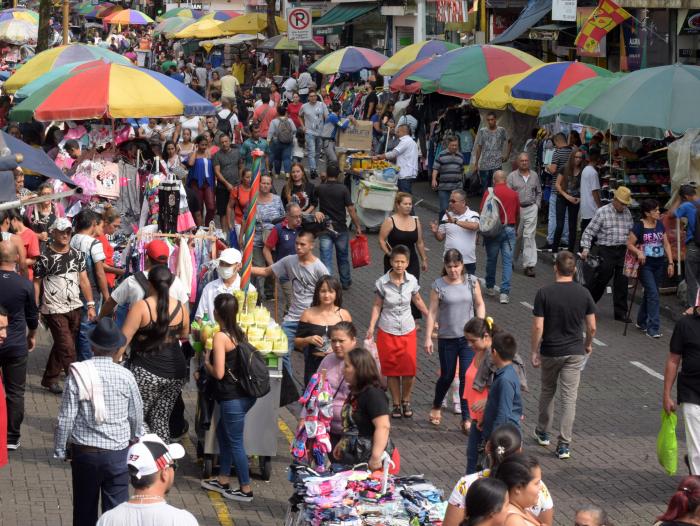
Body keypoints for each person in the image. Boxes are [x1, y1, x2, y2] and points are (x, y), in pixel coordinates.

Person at [54, 318, 144, 526]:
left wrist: (61, 449)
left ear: (92, 346)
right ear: (117, 348)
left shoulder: (78, 373)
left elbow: (66, 417)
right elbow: (136, 415)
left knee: (84, 513)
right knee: (116, 516)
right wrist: (133, 437)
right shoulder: (126, 375)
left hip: (85, 454)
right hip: (117, 455)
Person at [532, 250, 596, 460]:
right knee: (569, 398)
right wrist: (587, 344)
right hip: (574, 351)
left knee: (548, 390)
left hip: (551, 350)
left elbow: (538, 326)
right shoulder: (584, 293)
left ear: (555, 268)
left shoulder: (544, 293)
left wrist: (535, 350)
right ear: (574, 270)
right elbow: (592, 327)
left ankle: (543, 431)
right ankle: (564, 444)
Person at [119, 266, 189, 443]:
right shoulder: (181, 307)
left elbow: (123, 340)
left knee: (139, 418)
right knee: (160, 418)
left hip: (146, 371)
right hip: (175, 372)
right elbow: (184, 334)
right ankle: (162, 461)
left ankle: (142, 460)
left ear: (149, 283)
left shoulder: (142, 307)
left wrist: (112, 364)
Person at [201, 293, 256, 502]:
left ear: (216, 313)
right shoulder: (239, 332)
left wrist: (207, 363)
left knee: (235, 442)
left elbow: (220, 373)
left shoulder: (220, 337)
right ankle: (223, 478)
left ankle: (245, 488)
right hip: (244, 396)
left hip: (233, 398)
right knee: (224, 434)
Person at [444, 423, 555, 526]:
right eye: (536, 483)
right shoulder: (516, 517)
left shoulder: (467, 483)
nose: (539, 486)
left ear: (488, 447)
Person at [252, 230, 329, 375]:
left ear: (311, 245)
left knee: (314, 358)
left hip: (313, 321)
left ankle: (309, 389)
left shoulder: (320, 268)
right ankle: (290, 387)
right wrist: (243, 269)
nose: (298, 247)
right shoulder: (289, 261)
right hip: (292, 318)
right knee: (282, 352)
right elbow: (265, 271)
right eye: (296, 244)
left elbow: (330, 293)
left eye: (302, 244)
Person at [425, 249, 485, 433]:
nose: (453, 270)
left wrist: (480, 325)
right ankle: (436, 405)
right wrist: (428, 337)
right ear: (445, 266)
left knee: (467, 377)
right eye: (449, 266)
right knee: (447, 375)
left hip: (468, 340)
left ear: (462, 265)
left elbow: (479, 304)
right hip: (447, 338)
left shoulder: (471, 282)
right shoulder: (438, 285)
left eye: (456, 266)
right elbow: (432, 312)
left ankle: (466, 418)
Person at [366, 245, 429, 419]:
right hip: (387, 329)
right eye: (396, 261)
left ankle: (406, 400)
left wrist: (430, 316)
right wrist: (372, 326)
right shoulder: (382, 282)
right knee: (392, 370)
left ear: (408, 263)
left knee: (409, 369)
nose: (399, 265)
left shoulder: (412, 281)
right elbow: (377, 305)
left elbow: (417, 300)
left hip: (408, 329)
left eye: (402, 261)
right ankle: (395, 403)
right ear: (391, 261)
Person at [36, 218, 94, 394]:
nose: (65, 235)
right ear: (52, 232)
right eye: (61, 231)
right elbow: (37, 283)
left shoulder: (77, 255)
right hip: (53, 309)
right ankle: (78, 385)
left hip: (75, 306)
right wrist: (35, 306)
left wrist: (90, 304)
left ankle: (49, 379)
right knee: (68, 348)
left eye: (68, 231)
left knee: (63, 344)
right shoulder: (45, 258)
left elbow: (84, 280)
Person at [96, 434, 197, 526]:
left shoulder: (107, 520)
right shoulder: (183, 521)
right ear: (164, 473)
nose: (174, 470)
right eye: (174, 465)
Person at [332, 347, 399, 472]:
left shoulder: (374, 394)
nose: (343, 370)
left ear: (359, 369)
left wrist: (375, 457)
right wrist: (343, 442)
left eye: (347, 366)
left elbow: (383, 426)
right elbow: (353, 426)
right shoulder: (355, 392)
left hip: (374, 460)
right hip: (357, 457)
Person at [0, 241, 38, 450]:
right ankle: (12, 437)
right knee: (15, 392)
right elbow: (32, 317)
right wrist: (32, 335)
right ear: (16, 258)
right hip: (15, 343)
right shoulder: (24, 284)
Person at [99, 240, 190, 322]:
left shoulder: (132, 281)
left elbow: (110, 302)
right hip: (168, 336)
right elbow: (186, 310)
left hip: (139, 336)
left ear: (146, 258)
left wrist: (99, 318)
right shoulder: (176, 281)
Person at [580, 186, 634, 322]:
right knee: (600, 281)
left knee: (622, 282)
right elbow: (589, 232)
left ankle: (620, 312)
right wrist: (586, 248)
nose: (624, 206)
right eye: (622, 203)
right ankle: (587, 307)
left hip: (622, 251)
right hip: (606, 250)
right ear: (615, 200)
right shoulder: (602, 212)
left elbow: (631, 232)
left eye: (625, 204)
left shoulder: (627, 213)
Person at [627, 199, 674, 338]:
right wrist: (639, 252)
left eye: (658, 210)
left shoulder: (659, 224)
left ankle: (641, 321)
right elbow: (629, 244)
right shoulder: (639, 226)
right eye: (655, 210)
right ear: (647, 213)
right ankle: (652, 328)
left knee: (650, 293)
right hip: (645, 265)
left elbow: (665, 244)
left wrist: (670, 263)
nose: (658, 212)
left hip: (659, 264)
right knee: (653, 294)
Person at [380, 192, 429, 318]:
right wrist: (389, 254)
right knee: (394, 287)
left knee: (412, 287)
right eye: (405, 204)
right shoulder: (390, 221)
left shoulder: (415, 221)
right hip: (394, 260)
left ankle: (413, 318)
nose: (409, 206)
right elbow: (381, 239)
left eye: (410, 204)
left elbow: (419, 242)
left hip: (411, 259)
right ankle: (392, 314)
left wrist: (424, 259)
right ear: (398, 205)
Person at [296, 276, 352, 386]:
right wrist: (308, 339)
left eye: (331, 291)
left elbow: (351, 342)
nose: (326, 295)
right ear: (317, 292)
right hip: (314, 364)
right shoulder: (308, 314)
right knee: (312, 396)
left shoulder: (344, 315)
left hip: (338, 363)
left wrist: (337, 348)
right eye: (323, 291)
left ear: (337, 293)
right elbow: (297, 342)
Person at [315, 163, 363, 290]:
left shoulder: (320, 188)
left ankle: (328, 284)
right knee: (342, 257)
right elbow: (351, 209)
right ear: (338, 175)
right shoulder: (343, 189)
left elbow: (314, 201)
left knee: (326, 258)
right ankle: (345, 281)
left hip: (325, 228)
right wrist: (357, 225)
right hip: (341, 228)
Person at [71, 209, 109, 361]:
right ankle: (86, 363)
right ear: (93, 224)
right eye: (100, 225)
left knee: (76, 327)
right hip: (91, 291)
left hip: (74, 288)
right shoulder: (94, 243)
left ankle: (75, 360)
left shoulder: (73, 239)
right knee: (87, 328)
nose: (101, 229)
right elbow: (100, 273)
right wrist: (107, 296)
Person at [316, 322, 362, 446]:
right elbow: (314, 390)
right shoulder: (327, 360)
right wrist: (304, 418)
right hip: (326, 430)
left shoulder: (362, 363)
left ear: (353, 341)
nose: (336, 345)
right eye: (333, 341)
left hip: (353, 434)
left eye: (341, 341)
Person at [665, 311, 700, 475]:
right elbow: (673, 360)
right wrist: (667, 394)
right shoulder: (684, 324)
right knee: (696, 446)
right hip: (691, 391)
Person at [480, 171, 520, 304]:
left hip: (493, 231)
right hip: (509, 229)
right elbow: (517, 213)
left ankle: (490, 286)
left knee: (492, 260)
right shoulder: (514, 194)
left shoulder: (489, 192)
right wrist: (516, 229)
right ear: (506, 180)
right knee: (507, 262)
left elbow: (483, 212)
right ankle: (504, 293)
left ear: (494, 180)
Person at [480, 331, 522, 440]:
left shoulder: (504, 380)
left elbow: (503, 414)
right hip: (504, 434)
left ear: (494, 352)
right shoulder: (507, 373)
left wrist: (493, 440)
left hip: (502, 439)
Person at [263, 203, 302, 313]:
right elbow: (266, 250)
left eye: (300, 216)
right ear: (287, 216)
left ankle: (286, 320)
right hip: (286, 274)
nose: (299, 219)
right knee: (292, 303)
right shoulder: (278, 229)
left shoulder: (304, 227)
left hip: (302, 273)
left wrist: (317, 214)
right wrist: (273, 267)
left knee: (296, 304)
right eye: (295, 217)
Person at [507, 153, 541, 277]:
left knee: (529, 236)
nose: (524, 162)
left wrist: (537, 205)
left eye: (526, 160)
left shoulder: (535, 175)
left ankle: (529, 265)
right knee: (517, 236)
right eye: (522, 161)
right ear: (518, 162)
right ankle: (510, 260)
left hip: (531, 208)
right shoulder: (511, 176)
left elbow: (539, 192)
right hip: (517, 210)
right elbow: (509, 195)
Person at [430, 189, 480, 274]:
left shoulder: (473, 214)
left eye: (453, 201)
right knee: (448, 286)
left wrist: (455, 221)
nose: (450, 203)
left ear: (463, 202)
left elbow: (475, 226)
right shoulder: (446, 216)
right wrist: (435, 232)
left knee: (468, 287)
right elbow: (440, 238)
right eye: (450, 201)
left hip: (467, 261)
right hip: (449, 261)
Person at [195, 248, 252, 321]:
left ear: (239, 266)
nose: (224, 267)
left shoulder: (248, 289)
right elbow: (199, 317)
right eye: (222, 263)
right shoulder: (209, 288)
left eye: (228, 264)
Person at [252, 174, 284, 298]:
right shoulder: (253, 199)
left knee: (271, 265)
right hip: (256, 239)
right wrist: (242, 237)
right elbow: (246, 219)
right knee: (259, 267)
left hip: (273, 239)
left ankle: (270, 292)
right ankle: (256, 294)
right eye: (263, 183)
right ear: (259, 184)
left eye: (267, 183)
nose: (265, 186)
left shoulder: (277, 199)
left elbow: (283, 217)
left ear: (271, 185)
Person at [672, 184, 700, 312]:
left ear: (685, 196)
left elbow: (672, 214)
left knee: (692, 277)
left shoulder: (686, 205)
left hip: (694, 245)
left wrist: (678, 199)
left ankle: (693, 307)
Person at [495, 454, 544, 526]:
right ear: (518, 488)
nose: (541, 487)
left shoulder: (520, 509)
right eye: (537, 483)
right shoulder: (514, 521)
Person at [553, 148, 584, 253]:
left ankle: (570, 251)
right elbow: (557, 184)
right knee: (560, 225)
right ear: (572, 157)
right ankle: (554, 250)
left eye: (580, 157)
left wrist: (580, 198)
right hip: (563, 197)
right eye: (576, 157)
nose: (578, 159)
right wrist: (566, 196)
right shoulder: (564, 168)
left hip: (575, 199)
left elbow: (584, 187)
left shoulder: (583, 171)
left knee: (572, 226)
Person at [374, 124, 419, 195]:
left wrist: (379, 157)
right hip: (409, 173)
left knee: (404, 196)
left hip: (405, 174)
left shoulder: (405, 141)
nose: (397, 133)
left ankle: (408, 205)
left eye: (398, 132)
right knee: (405, 196)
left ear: (403, 131)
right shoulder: (411, 141)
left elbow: (393, 153)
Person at [544, 133, 572, 251]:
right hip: (569, 189)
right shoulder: (573, 152)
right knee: (565, 217)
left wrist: (547, 167)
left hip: (557, 189)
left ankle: (551, 240)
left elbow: (554, 169)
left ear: (556, 141)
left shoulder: (557, 152)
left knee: (553, 216)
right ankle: (565, 240)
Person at [473, 112, 511, 193]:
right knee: (485, 189)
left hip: (497, 164)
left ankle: (496, 204)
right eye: (488, 120)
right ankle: (486, 204)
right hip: (484, 164)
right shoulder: (482, 131)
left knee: (497, 187)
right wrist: (476, 163)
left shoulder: (501, 130)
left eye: (492, 119)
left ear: (495, 120)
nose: (490, 121)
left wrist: (507, 155)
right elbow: (479, 147)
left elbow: (510, 141)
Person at [432, 136, 465, 221]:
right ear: (448, 145)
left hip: (457, 188)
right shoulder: (441, 154)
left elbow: (462, 170)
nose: (454, 147)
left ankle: (455, 227)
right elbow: (435, 168)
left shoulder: (461, 156)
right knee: (444, 209)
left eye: (456, 145)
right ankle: (441, 227)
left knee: (457, 209)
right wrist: (434, 179)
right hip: (444, 188)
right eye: (452, 145)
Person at [25, 181, 66, 250]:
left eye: (49, 194)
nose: (46, 197)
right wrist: (38, 236)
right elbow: (24, 230)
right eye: (43, 194)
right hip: (35, 247)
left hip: (54, 247)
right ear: (39, 195)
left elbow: (65, 227)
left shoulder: (58, 208)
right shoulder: (31, 209)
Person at [187, 134, 216, 225]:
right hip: (196, 184)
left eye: (205, 145)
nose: (204, 147)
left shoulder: (209, 154)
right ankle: (199, 229)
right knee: (198, 208)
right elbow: (191, 164)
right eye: (202, 145)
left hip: (208, 183)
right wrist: (195, 151)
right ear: (197, 145)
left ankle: (207, 227)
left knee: (211, 207)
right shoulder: (192, 154)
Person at [299, 90, 328, 179]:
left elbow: (326, 116)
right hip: (309, 132)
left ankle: (314, 168)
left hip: (320, 132)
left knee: (318, 152)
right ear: (308, 98)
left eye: (314, 96)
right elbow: (299, 116)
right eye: (311, 96)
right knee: (311, 151)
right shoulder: (304, 106)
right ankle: (313, 170)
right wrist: (303, 126)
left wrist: (326, 128)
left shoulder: (322, 104)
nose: (313, 97)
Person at [213, 135, 240, 226]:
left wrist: (240, 181)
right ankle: (224, 234)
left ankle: (236, 231)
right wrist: (226, 183)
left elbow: (241, 167)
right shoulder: (217, 155)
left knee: (237, 209)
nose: (224, 144)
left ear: (230, 141)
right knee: (222, 211)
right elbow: (217, 172)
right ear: (220, 144)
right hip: (222, 187)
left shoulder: (237, 153)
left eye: (226, 141)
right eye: (222, 142)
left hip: (237, 185)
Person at [8, 209, 39, 281]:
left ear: (14, 220)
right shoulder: (10, 233)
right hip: (10, 277)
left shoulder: (31, 234)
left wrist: (19, 260)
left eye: (8, 223)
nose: (8, 226)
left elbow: (33, 260)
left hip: (25, 277)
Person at [99, 206, 125, 290]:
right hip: (104, 283)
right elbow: (100, 265)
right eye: (115, 226)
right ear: (106, 223)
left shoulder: (102, 237)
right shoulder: (100, 238)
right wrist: (120, 272)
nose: (116, 229)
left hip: (108, 281)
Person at [267, 105, 296, 177]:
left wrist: (268, 141)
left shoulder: (274, 121)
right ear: (285, 112)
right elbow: (294, 130)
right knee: (287, 158)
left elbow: (270, 132)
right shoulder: (290, 120)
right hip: (288, 141)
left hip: (276, 141)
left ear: (277, 113)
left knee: (277, 158)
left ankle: (277, 174)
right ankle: (287, 174)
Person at [579, 148, 602, 236]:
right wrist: (600, 207)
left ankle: (582, 249)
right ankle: (582, 249)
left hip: (585, 207)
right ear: (598, 158)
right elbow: (594, 192)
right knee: (590, 234)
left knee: (586, 232)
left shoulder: (585, 170)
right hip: (592, 208)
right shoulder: (593, 173)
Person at [225, 169, 253, 238]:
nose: (250, 179)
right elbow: (229, 207)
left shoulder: (256, 189)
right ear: (242, 178)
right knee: (242, 245)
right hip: (239, 222)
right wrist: (229, 224)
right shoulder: (236, 190)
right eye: (247, 177)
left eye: (251, 177)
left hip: (253, 223)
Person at [0, 211, 28, 278]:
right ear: (7, 220)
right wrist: (26, 283)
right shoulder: (16, 239)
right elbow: (23, 266)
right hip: (12, 279)